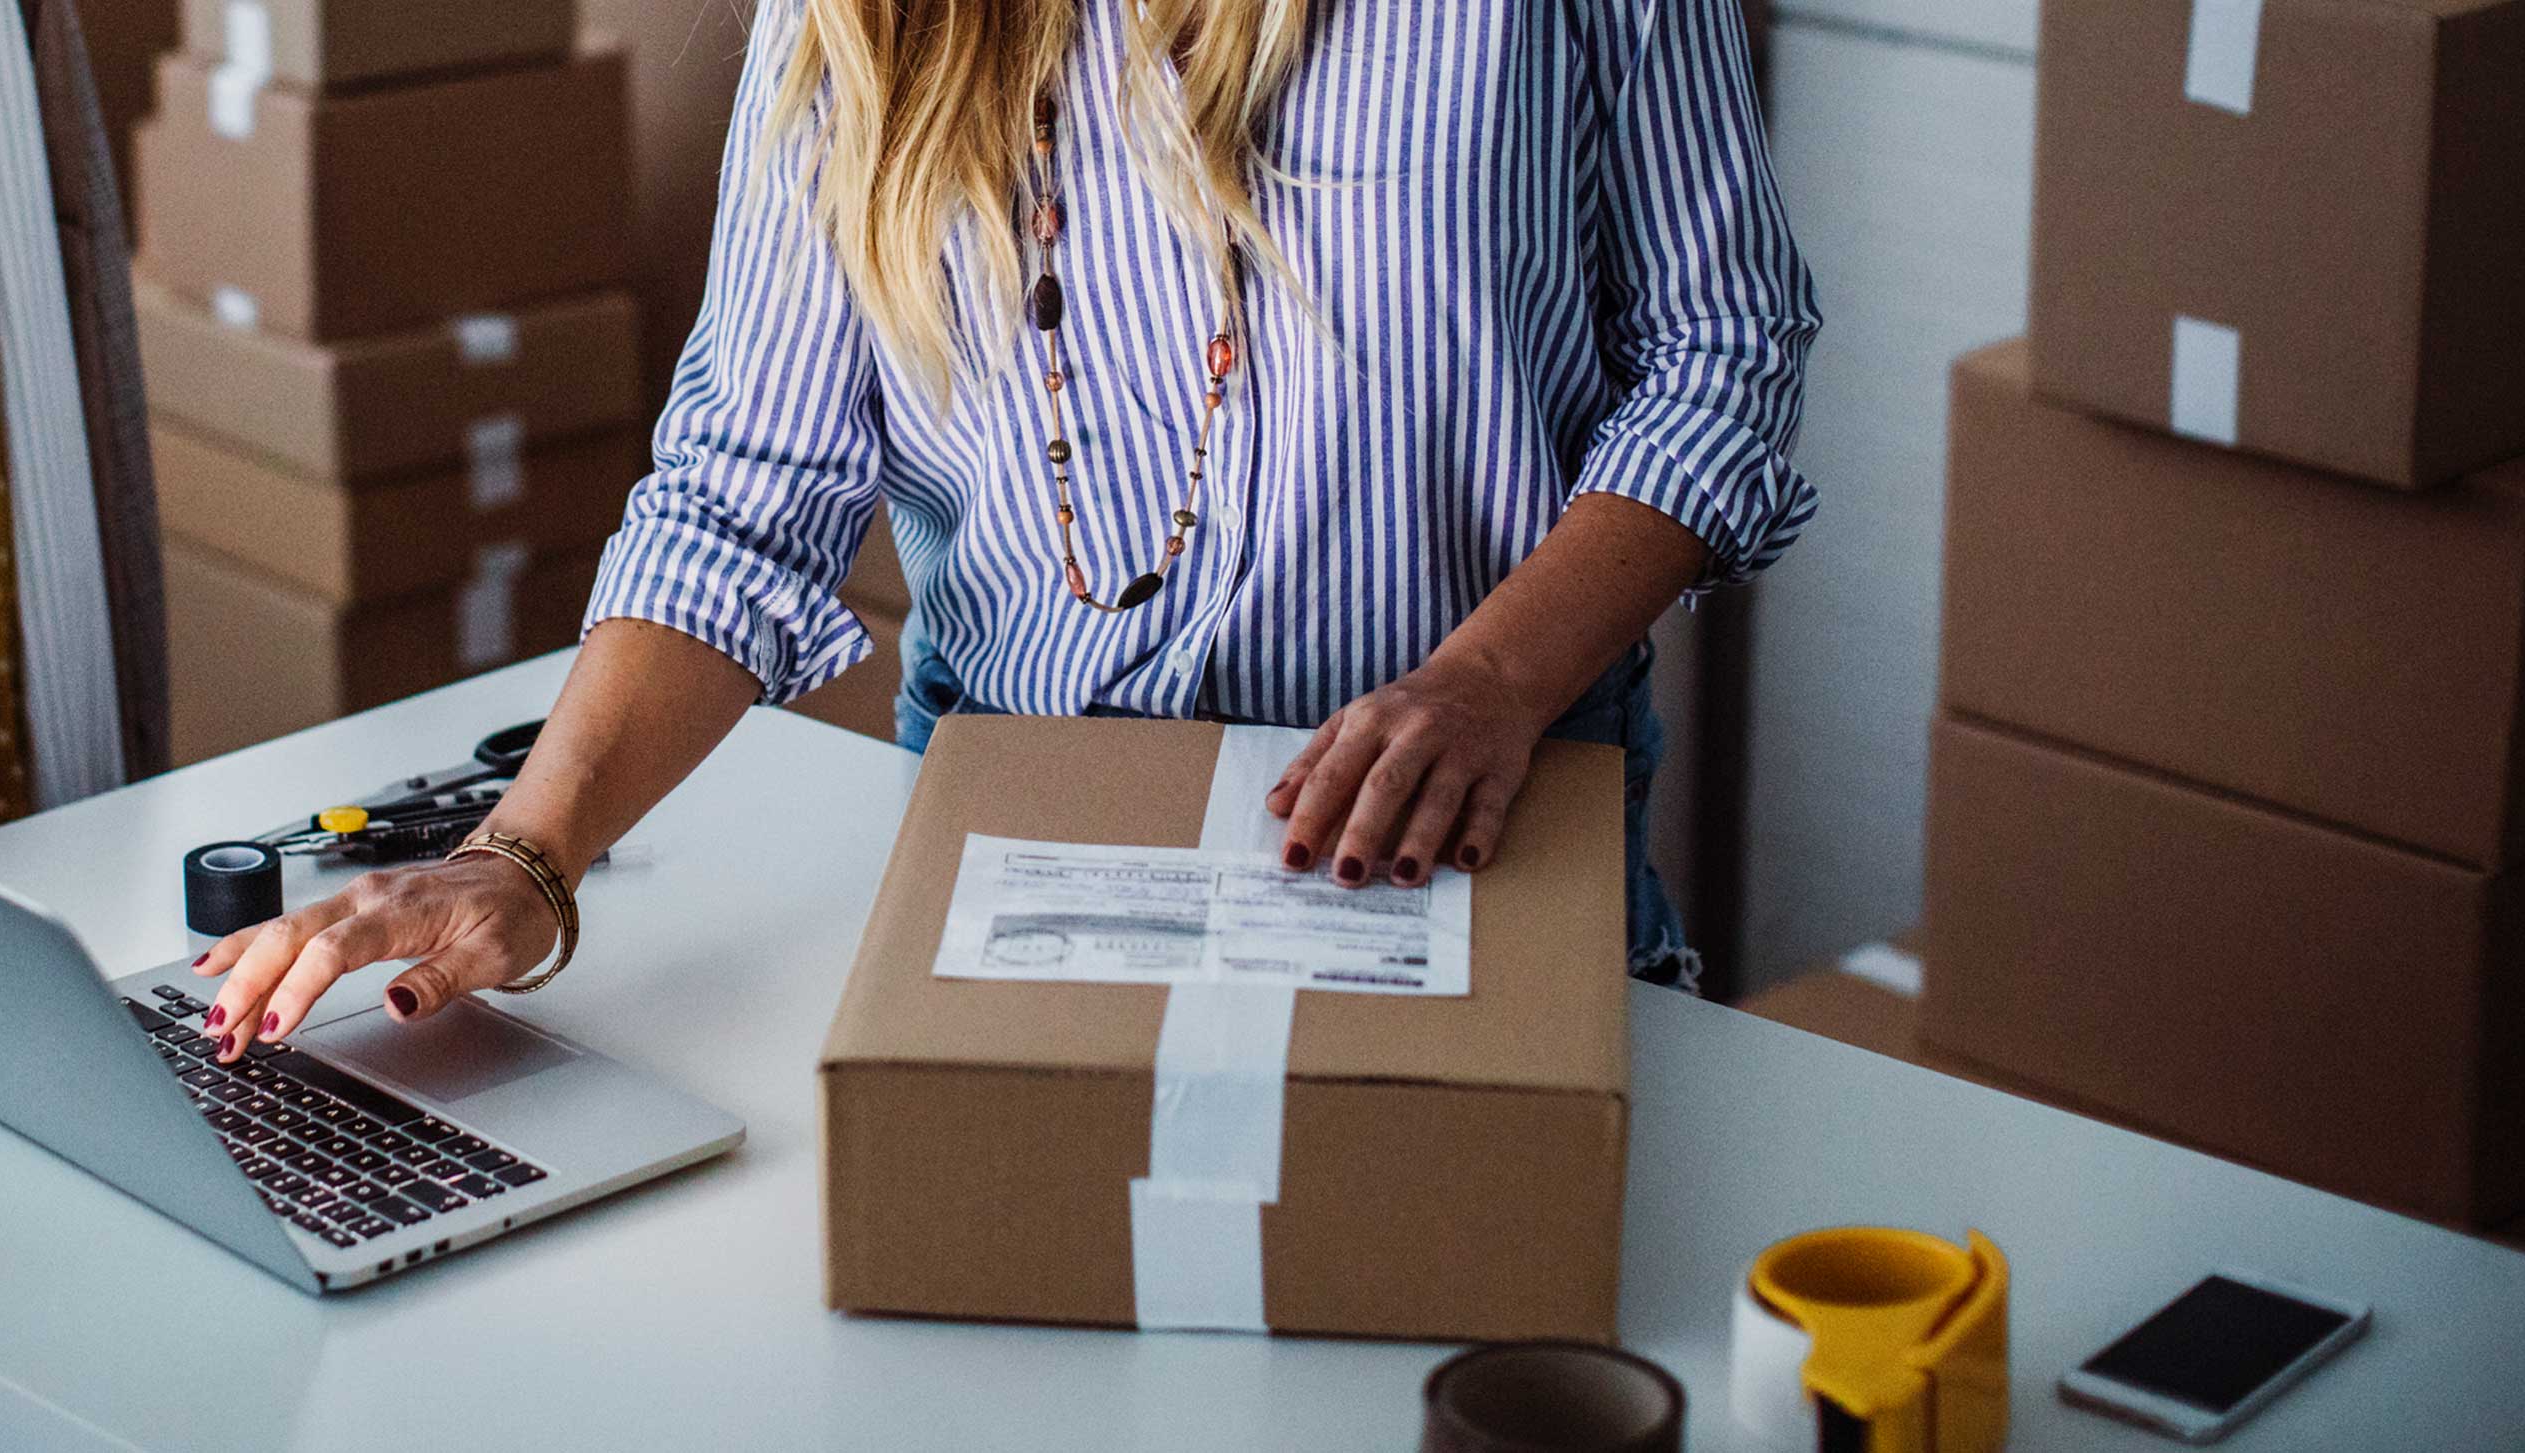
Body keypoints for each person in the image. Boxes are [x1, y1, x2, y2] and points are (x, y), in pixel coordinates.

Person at [189, 0, 1818, 1057]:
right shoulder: (853, 28)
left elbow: (1723, 346)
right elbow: (743, 494)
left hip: (1475, 846)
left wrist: (1491, 679)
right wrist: (519, 860)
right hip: (1027, 868)